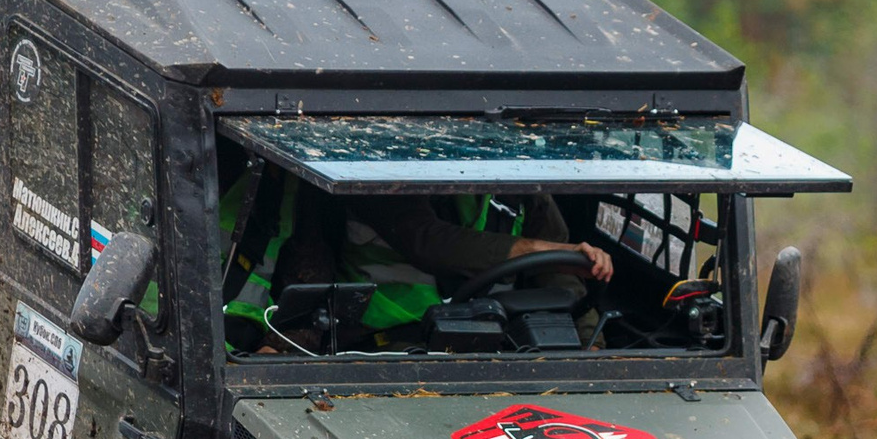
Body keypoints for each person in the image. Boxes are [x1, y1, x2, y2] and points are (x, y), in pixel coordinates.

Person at [220, 156, 612, 347]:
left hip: (490, 340)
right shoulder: (384, 169)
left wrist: (585, 347)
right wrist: (528, 248)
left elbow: (564, 282)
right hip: (381, 344)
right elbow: (426, 240)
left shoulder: (526, 189)